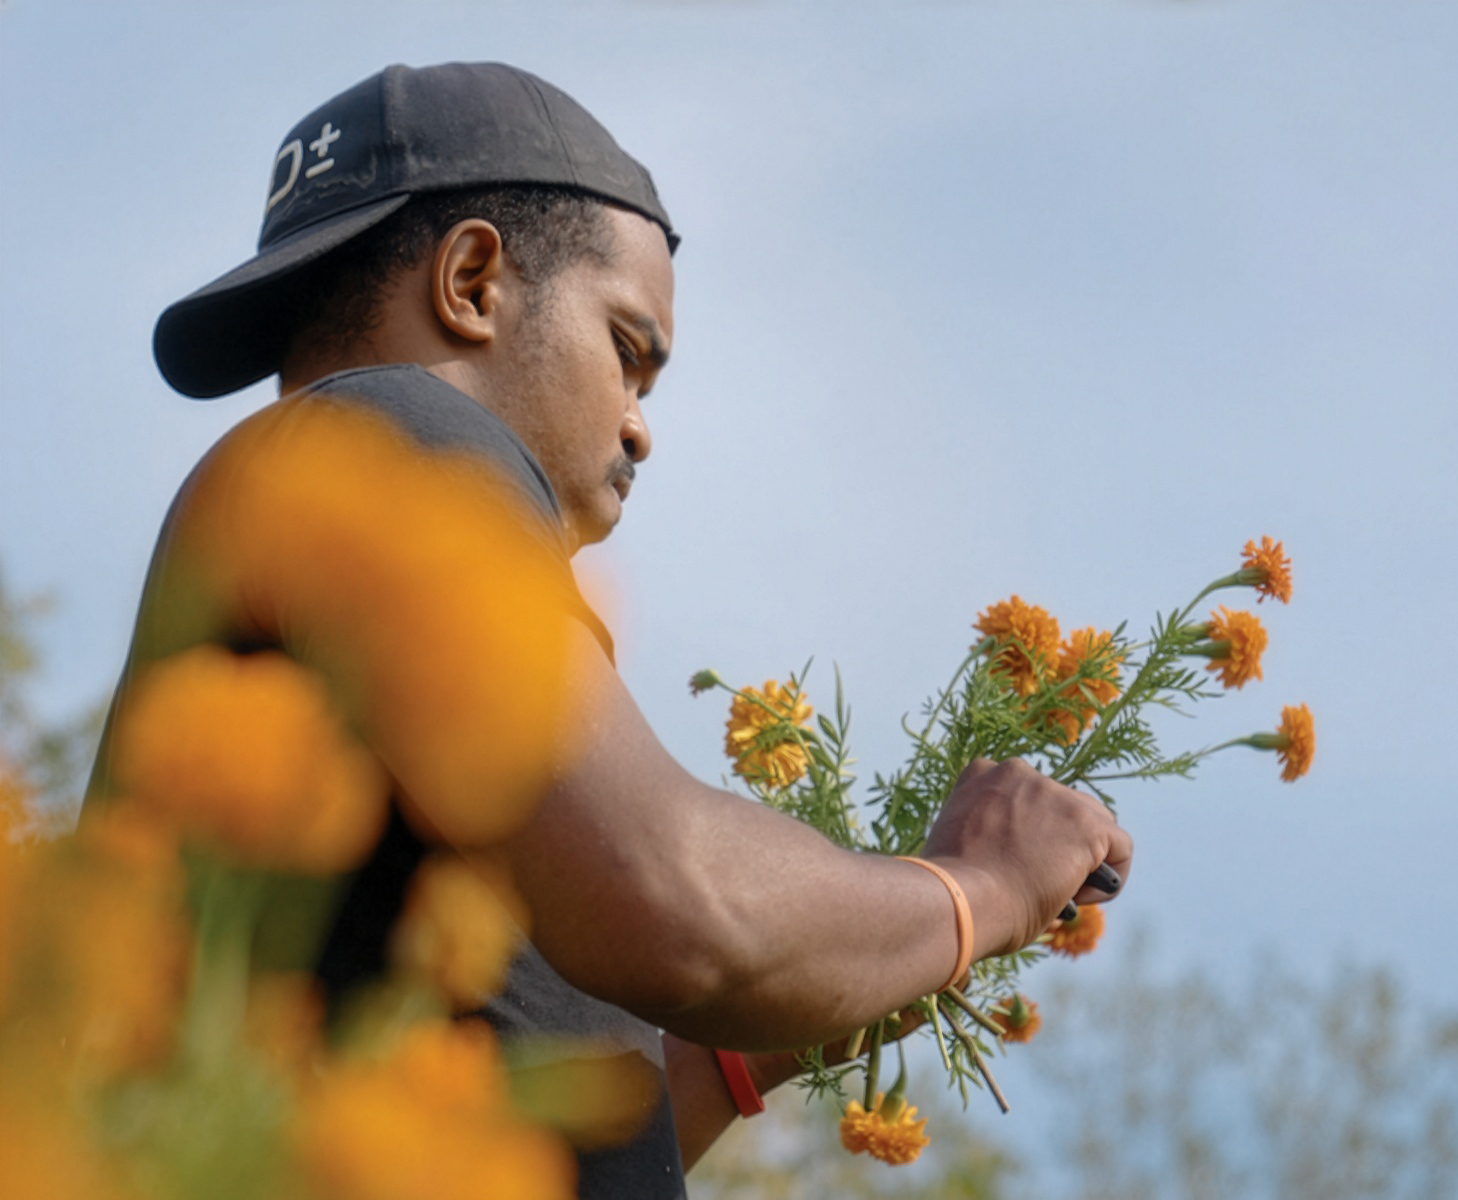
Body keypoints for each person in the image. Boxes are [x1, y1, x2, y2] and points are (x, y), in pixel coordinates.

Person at [86, 61, 1132, 1198]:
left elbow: (507, 1133)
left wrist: (778, 1016)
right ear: (475, 281)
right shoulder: (383, 440)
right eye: (629, 352)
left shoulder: (344, 584)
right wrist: (977, 887)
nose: (641, 430)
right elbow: (677, 905)